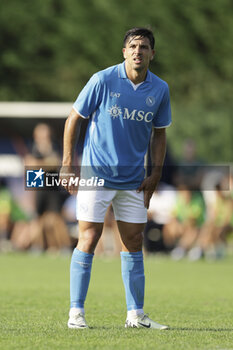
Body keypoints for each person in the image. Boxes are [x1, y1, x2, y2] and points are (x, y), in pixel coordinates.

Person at [60, 27, 172, 329]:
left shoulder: (160, 89)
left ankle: (135, 315)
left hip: (134, 180)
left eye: (144, 46)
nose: (138, 51)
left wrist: (155, 174)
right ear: (124, 51)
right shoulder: (102, 80)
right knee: (89, 237)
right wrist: (68, 163)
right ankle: (76, 314)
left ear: (152, 53)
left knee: (134, 242)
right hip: (96, 176)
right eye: (133, 46)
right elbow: (74, 119)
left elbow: (159, 134)